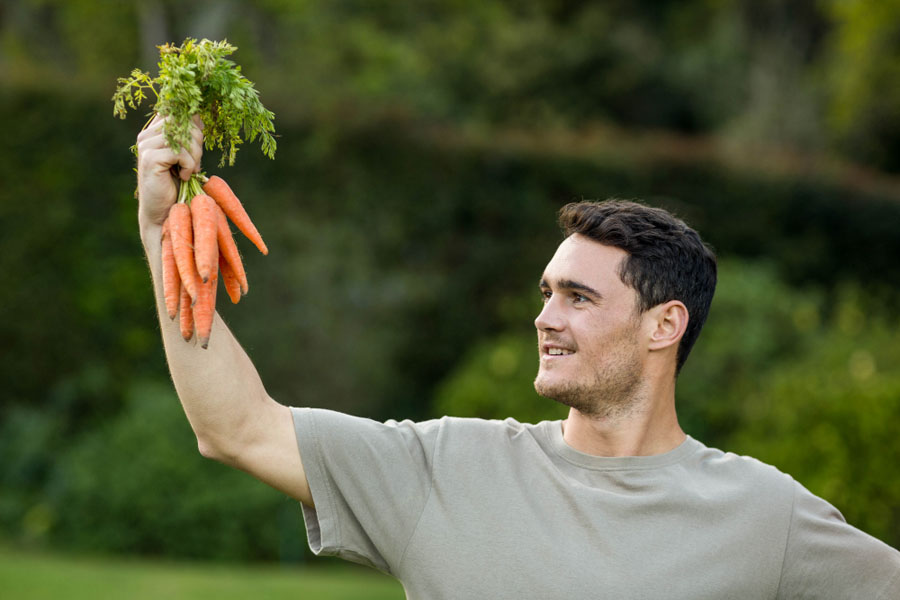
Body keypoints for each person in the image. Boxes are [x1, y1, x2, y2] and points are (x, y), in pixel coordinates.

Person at [135, 116, 900, 599]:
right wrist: (161, 230)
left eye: (578, 298)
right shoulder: (442, 471)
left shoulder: (766, 518)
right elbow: (235, 426)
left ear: (665, 324)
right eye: (545, 292)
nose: (544, 318)